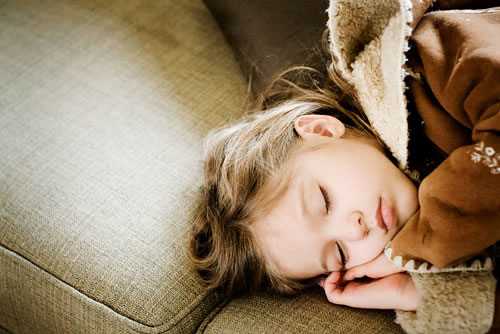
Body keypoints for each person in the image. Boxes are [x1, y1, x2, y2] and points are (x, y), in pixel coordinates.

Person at [188, 0, 500, 332]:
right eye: (339, 254)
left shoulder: (422, 57)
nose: (354, 231)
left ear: (321, 130)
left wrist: (418, 250)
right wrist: (417, 294)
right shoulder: (441, 240)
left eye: (325, 200)